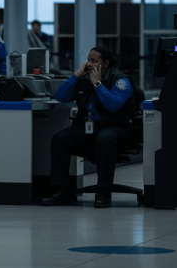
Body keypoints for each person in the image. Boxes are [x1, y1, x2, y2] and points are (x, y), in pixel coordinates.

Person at [40, 46, 139, 208]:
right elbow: (60, 96)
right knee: (60, 139)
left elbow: (113, 105)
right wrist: (76, 75)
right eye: (88, 60)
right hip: (88, 127)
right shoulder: (84, 80)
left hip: (116, 127)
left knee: (105, 139)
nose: (90, 64)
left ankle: (103, 192)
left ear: (105, 63)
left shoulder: (121, 81)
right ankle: (61, 190)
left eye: (94, 61)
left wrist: (98, 84)